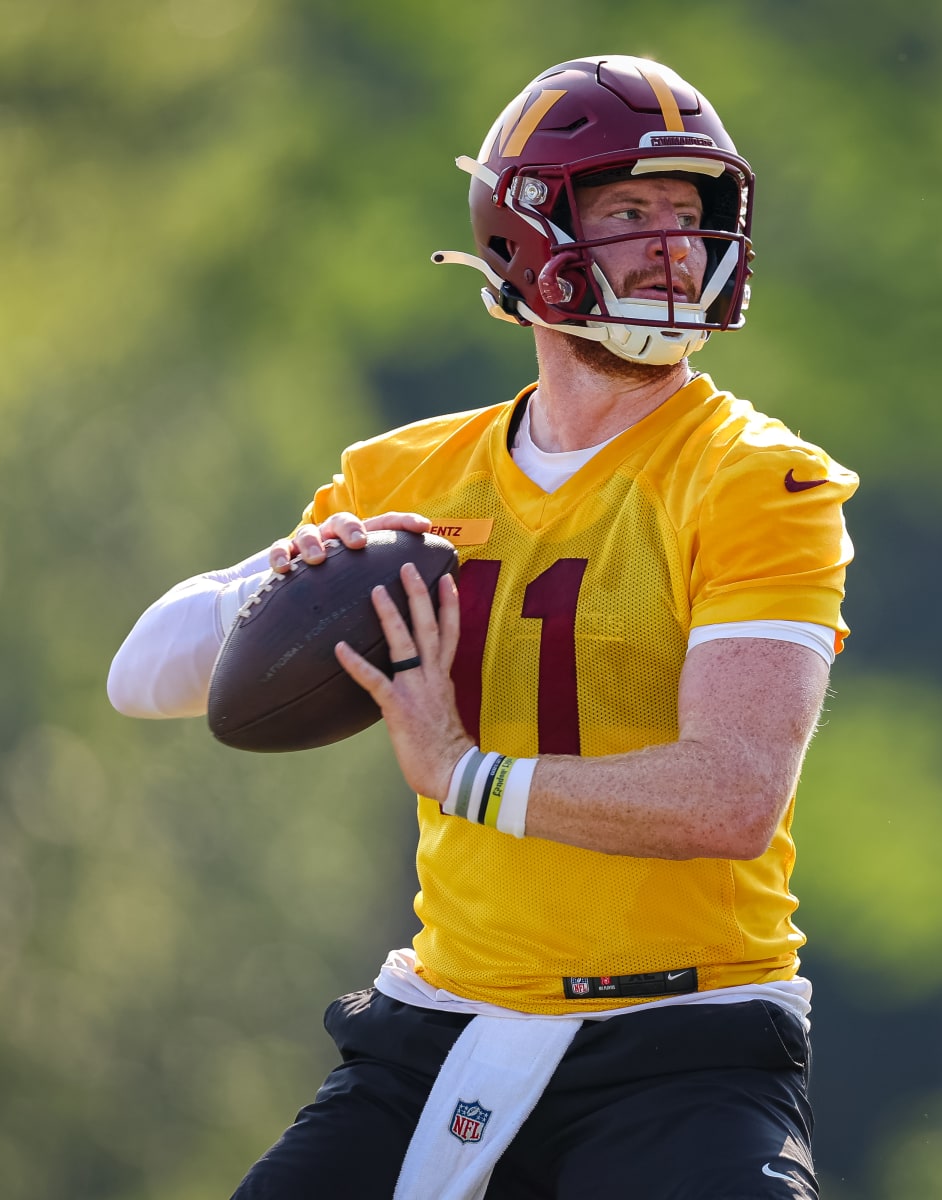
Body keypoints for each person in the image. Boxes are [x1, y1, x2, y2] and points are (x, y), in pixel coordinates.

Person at [108, 55, 856, 1199]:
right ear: (531, 235)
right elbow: (142, 674)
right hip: (444, 1024)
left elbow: (735, 793)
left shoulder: (756, 479)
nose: (672, 245)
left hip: (686, 1039)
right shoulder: (412, 478)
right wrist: (275, 582)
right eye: (629, 211)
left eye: (689, 215)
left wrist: (466, 774)